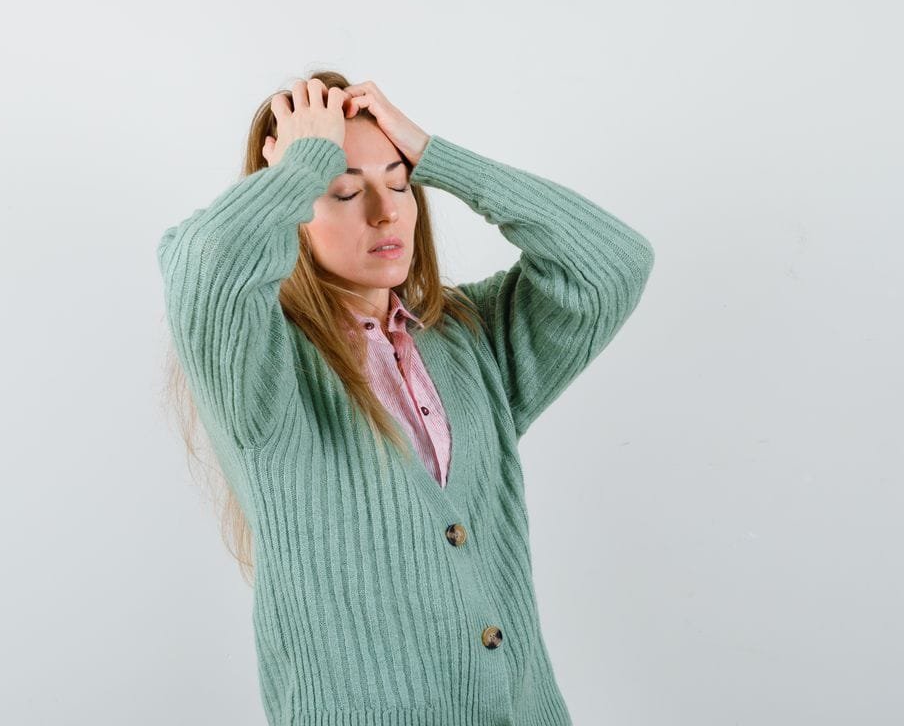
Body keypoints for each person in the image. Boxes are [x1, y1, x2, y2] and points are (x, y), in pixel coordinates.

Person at [156, 70, 654, 725]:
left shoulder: (468, 336)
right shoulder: (260, 368)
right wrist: (300, 167)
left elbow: (613, 265)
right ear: (293, 208)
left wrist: (436, 156)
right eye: (342, 190)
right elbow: (200, 261)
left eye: (398, 183)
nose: (385, 211)